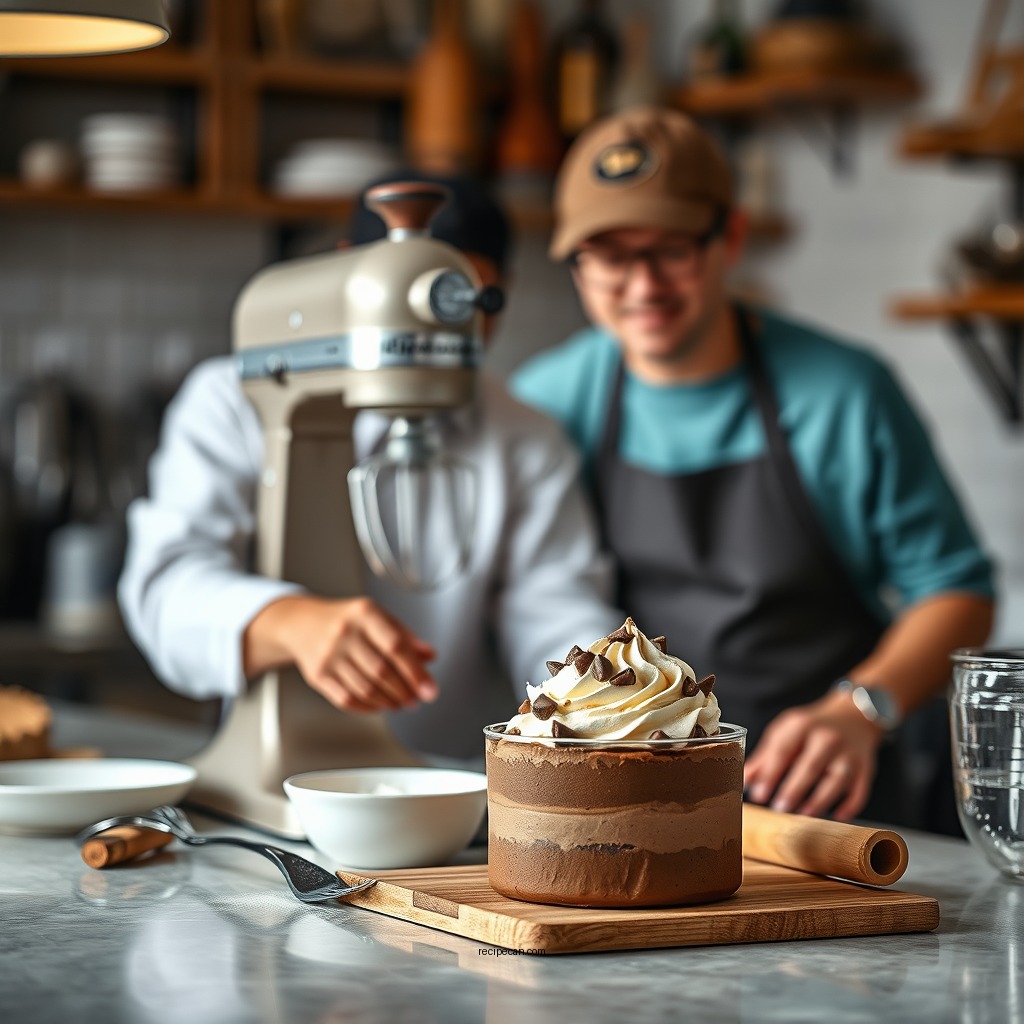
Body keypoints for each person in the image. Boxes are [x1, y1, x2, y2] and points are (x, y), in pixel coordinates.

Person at [510, 107, 995, 823]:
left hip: (821, 805)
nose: (643, 287)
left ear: (729, 238)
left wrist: (864, 707)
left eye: (672, 249)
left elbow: (958, 593)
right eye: (612, 256)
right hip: (625, 807)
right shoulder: (545, 404)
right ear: (575, 265)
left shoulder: (844, 394)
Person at [118, 173, 622, 766]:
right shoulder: (230, 401)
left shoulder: (526, 438)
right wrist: (291, 622)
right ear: (345, 278)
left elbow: (554, 608)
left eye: (463, 303)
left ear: (499, 298)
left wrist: (610, 700)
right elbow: (164, 589)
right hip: (276, 772)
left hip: (443, 775)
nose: (436, 333)